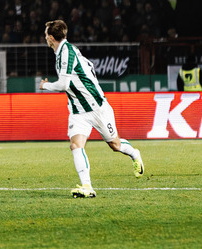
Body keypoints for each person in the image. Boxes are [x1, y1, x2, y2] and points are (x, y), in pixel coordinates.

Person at [39, 19, 144, 198]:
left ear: (51, 37)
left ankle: (134, 154)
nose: (45, 38)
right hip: (78, 110)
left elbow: (64, 84)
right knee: (75, 145)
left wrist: (45, 86)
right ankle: (87, 187)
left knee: (115, 145)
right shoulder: (62, 53)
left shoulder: (67, 52)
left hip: (97, 107)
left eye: (45, 35)